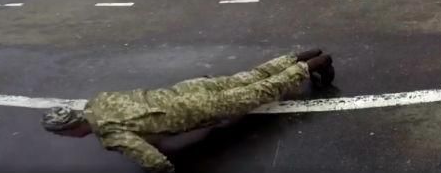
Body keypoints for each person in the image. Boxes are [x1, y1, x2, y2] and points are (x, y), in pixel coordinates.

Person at [42, 50, 334, 173]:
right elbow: (137, 113)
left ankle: (314, 65)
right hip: (188, 89)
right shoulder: (97, 101)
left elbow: (156, 163)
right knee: (250, 76)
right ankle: (301, 55)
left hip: (199, 107)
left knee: (262, 91)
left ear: (69, 130)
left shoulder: (110, 133)